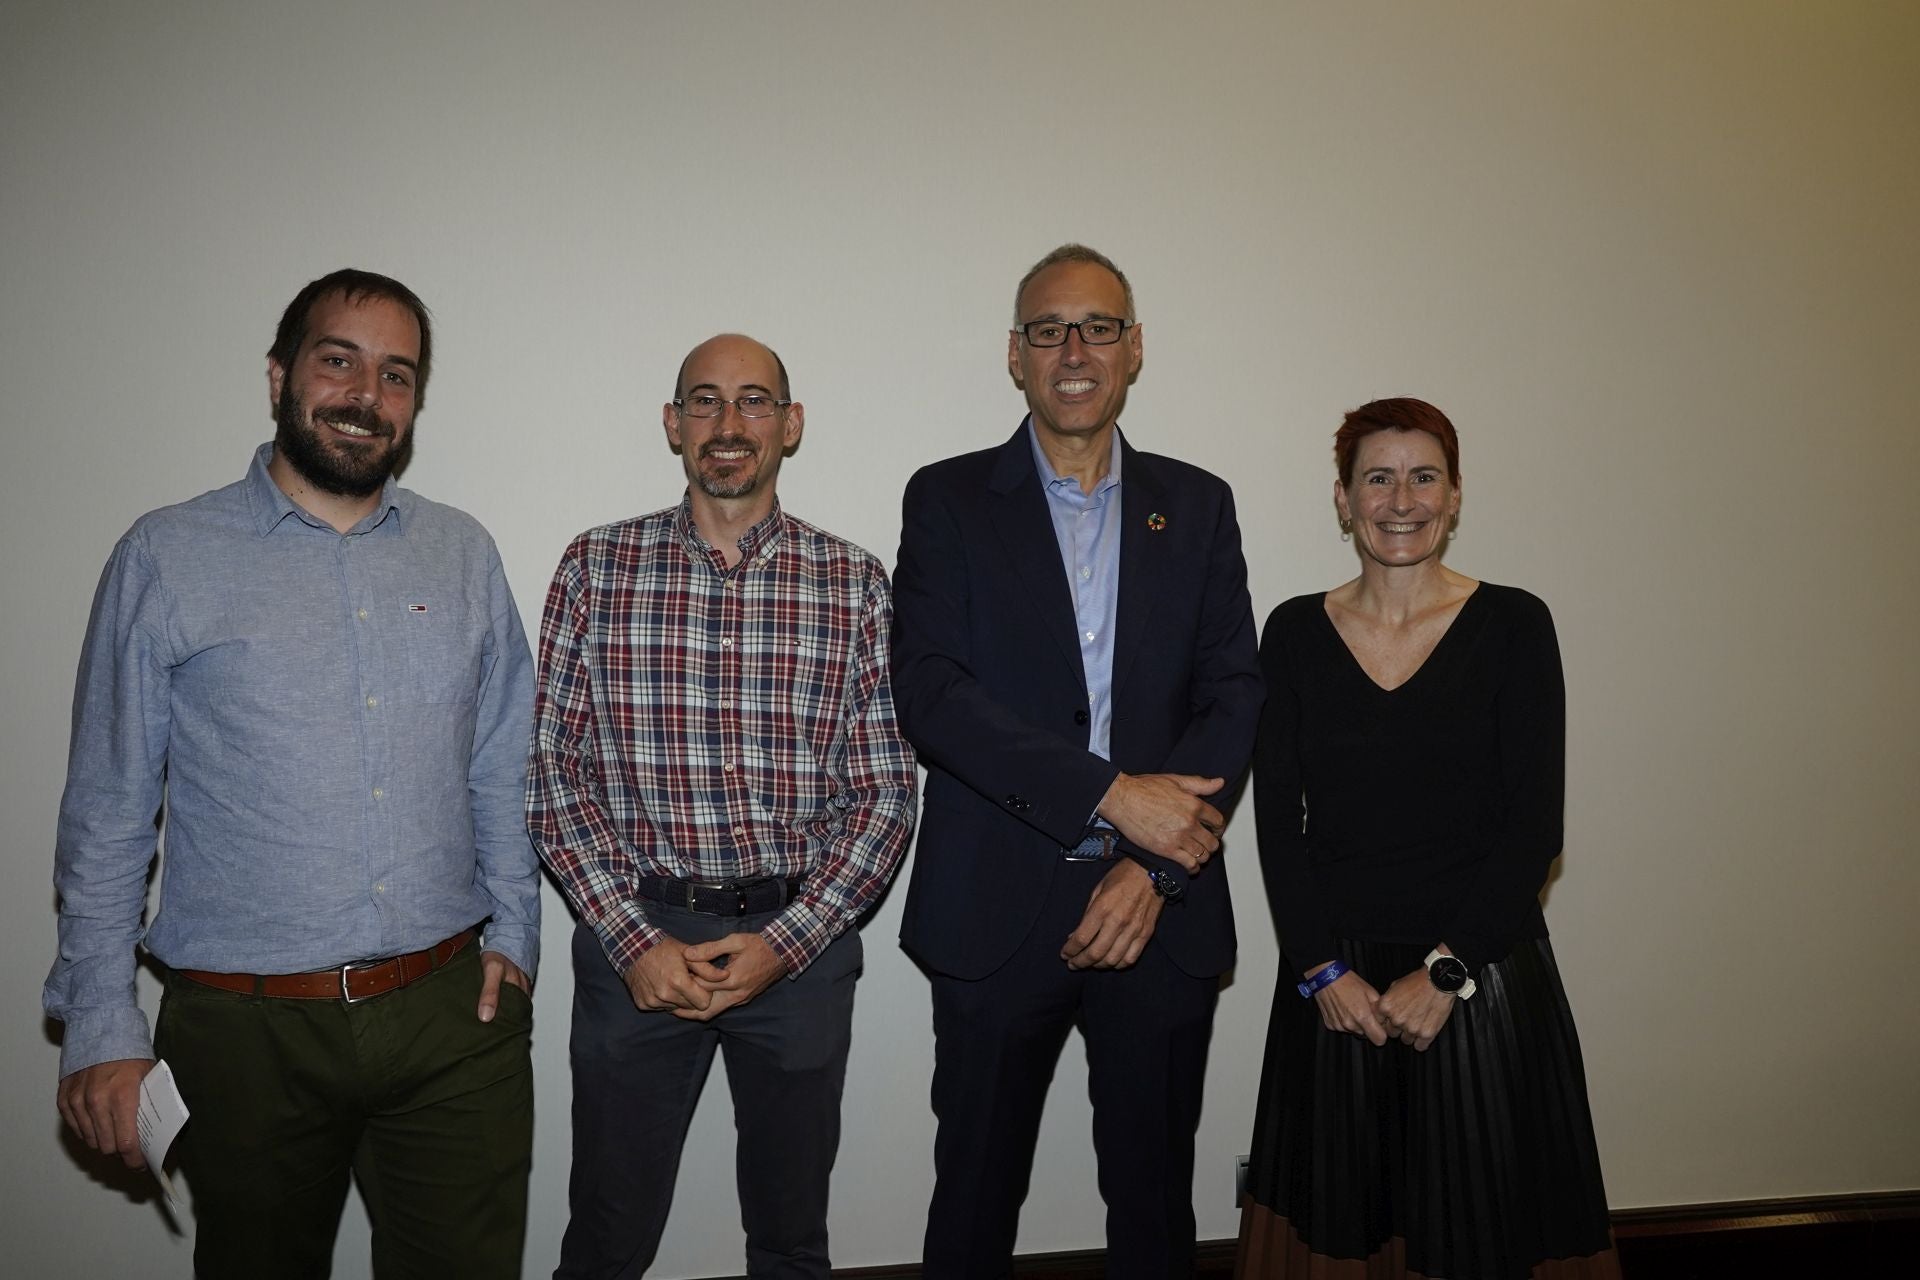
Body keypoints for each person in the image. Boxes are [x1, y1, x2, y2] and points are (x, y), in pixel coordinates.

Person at [45, 269, 542, 1278]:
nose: (367, 393)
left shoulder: (462, 554)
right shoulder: (166, 555)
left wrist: (518, 938)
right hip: (244, 1032)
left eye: (396, 373)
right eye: (338, 359)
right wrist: (101, 1018)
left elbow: (502, 762)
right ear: (280, 375)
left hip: (451, 1014)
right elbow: (109, 805)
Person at [892, 244, 1263, 1277]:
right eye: (1048, 328)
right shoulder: (950, 500)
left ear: (1133, 348)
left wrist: (1152, 860)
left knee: (1154, 1211)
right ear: (1015, 354)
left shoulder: (1198, 505)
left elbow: (1234, 691)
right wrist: (1109, 795)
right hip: (997, 905)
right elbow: (930, 693)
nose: (1074, 349)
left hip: (1162, 909)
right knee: (971, 1204)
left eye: (1097, 326)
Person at [528, 333, 917, 1279]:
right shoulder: (596, 568)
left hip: (801, 947)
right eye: (704, 401)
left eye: (753, 401)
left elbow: (884, 792)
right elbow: (549, 775)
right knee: (608, 1233)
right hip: (638, 947)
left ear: (790, 424)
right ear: (673, 424)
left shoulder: (854, 583)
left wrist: (789, 942)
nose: (728, 423)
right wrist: (629, 940)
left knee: (791, 1235)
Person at [1237, 397, 1619, 1278]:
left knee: (1482, 1229)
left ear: (1453, 498)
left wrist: (1447, 972)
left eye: (1423, 477)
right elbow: (1277, 825)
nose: (1400, 499)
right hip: (1339, 984)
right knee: (1340, 1225)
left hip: (1480, 972)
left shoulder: (1518, 623)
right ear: (1343, 499)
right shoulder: (1293, 631)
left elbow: (1535, 830)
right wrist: (1319, 970)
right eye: (1377, 478)